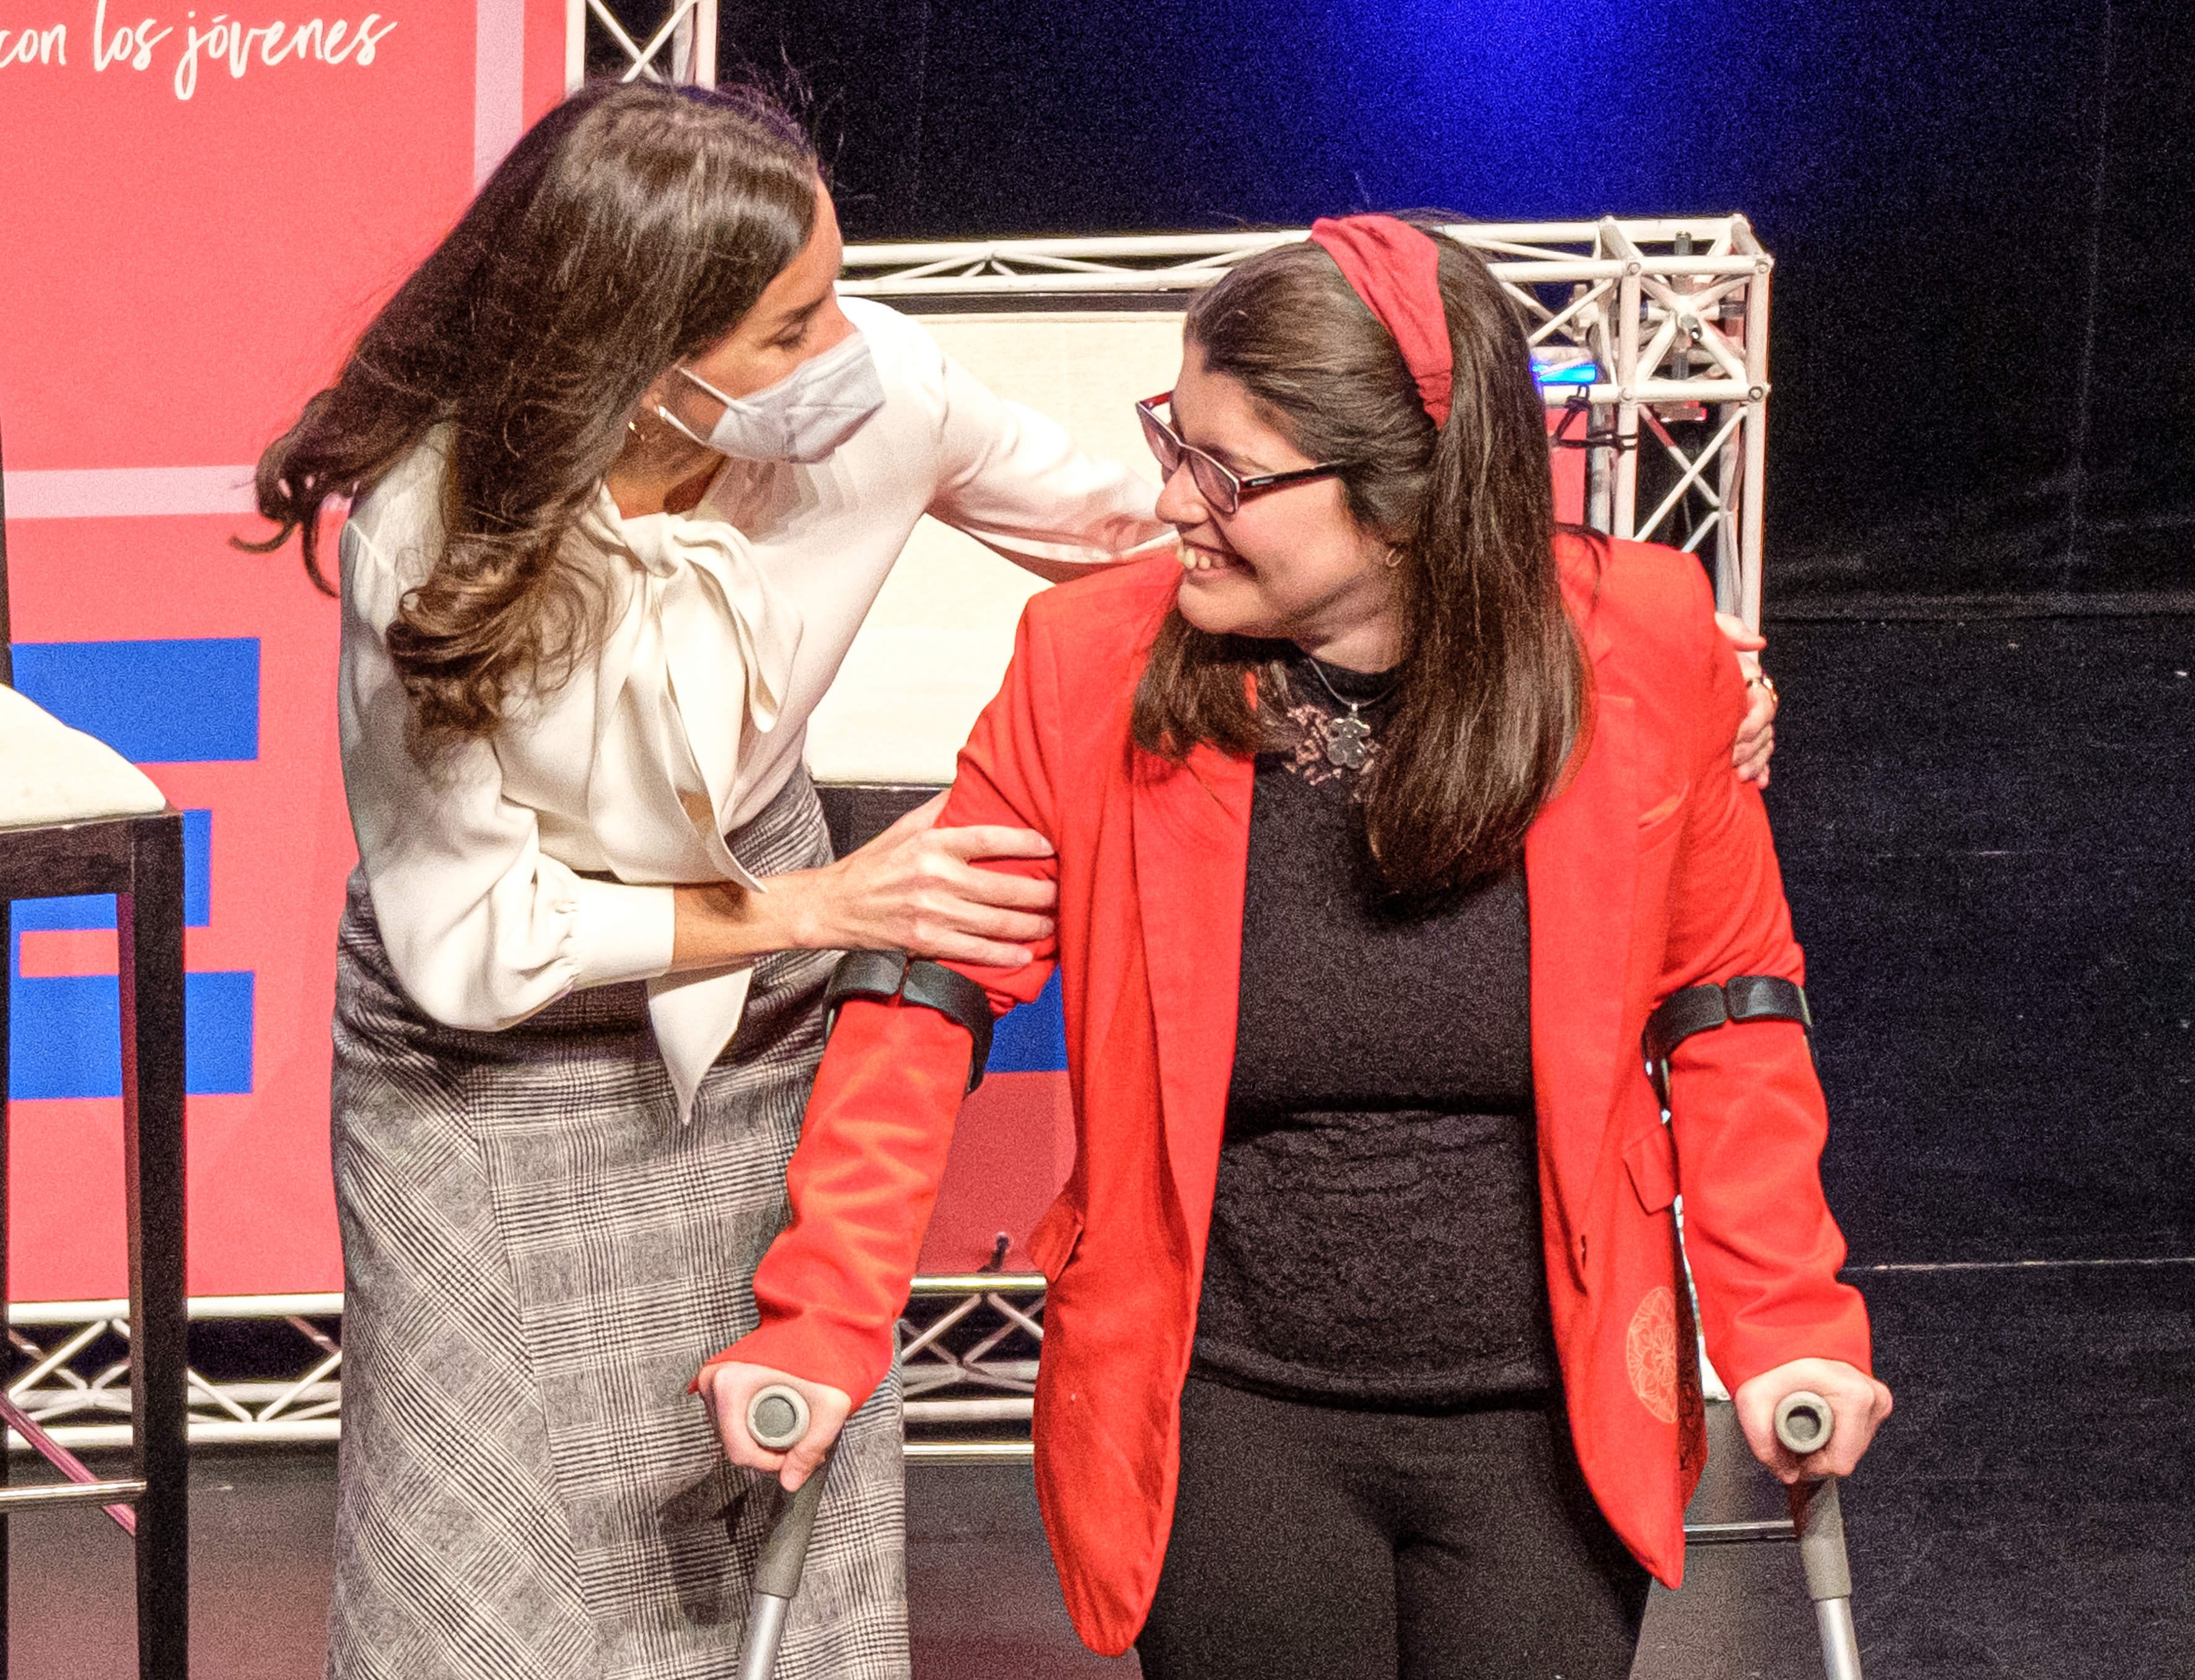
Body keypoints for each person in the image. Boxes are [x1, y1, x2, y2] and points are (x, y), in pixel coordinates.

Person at [703, 217, 1886, 1680]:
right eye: (1170, 439)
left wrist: (1786, 1321)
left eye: (1228, 473)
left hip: (1549, 1410)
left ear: (1404, 502)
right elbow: (924, 998)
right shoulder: (1087, 667)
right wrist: (822, 1314)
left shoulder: (1636, 645)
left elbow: (1728, 1013)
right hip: (1222, 1400)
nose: (1169, 500)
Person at [244, 81, 1174, 1680]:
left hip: (760, 1058)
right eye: (787, 329)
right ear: (639, 354)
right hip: (486, 1091)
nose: (843, 355)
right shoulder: (434, 519)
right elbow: (472, 941)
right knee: (479, 1593)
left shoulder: (882, 399)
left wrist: (1565, 625)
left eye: (833, 293)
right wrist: (819, 910)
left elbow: (1157, 541)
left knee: (770, 1567)